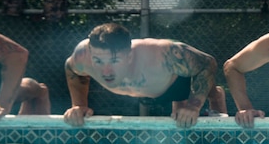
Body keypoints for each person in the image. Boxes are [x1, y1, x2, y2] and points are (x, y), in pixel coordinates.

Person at [63, 22, 227, 128]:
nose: (106, 71)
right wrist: (79, 105)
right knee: (180, 113)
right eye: (98, 61)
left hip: (173, 82)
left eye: (114, 61)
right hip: (145, 90)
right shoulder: (82, 56)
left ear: (129, 55)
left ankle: (216, 97)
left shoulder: (163, 54)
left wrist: (194, 106)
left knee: (192, 98)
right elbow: (72, 71)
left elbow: (207, 63)